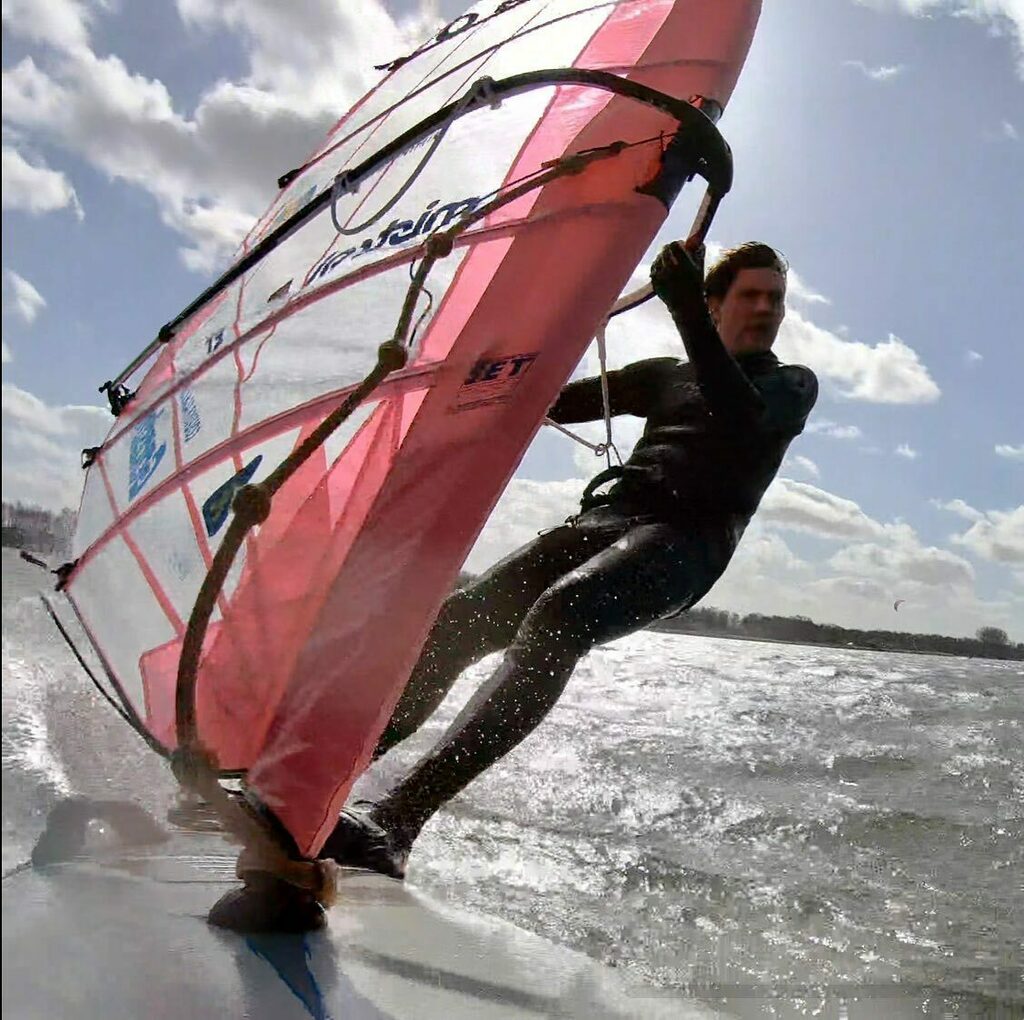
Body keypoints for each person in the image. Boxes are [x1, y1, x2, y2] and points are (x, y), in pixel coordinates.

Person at [315, 240, 818, 881]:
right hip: (608, 520)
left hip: (686, 542)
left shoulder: (790, 385)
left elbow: (740, 417)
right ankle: (322, 775)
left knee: (562, 613)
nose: (766, 309)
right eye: (750, 295)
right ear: (719, 302)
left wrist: (686, 310)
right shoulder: (666, 374)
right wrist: (470, 369)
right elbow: (545, 399)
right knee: (459, 619)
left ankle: (396, 821)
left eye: (775, 299)